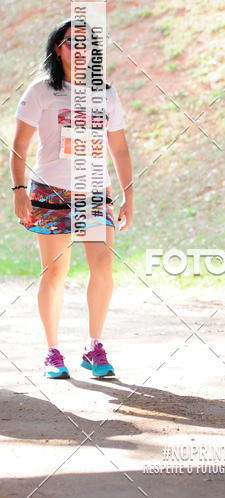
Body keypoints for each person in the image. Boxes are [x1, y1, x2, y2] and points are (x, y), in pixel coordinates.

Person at [10, 19, 134, 379]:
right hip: (49, 192)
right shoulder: (41, 91)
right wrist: (19, 192)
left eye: (86, 44)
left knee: (102, 268)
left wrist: (129, 195)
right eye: (71, 43)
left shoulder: (106, 94)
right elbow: (18, 147)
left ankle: (94, 346)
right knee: (55, 272)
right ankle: (52, 351)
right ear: (57, 49)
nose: (80, 49)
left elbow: (120, 149)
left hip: (96, 194)